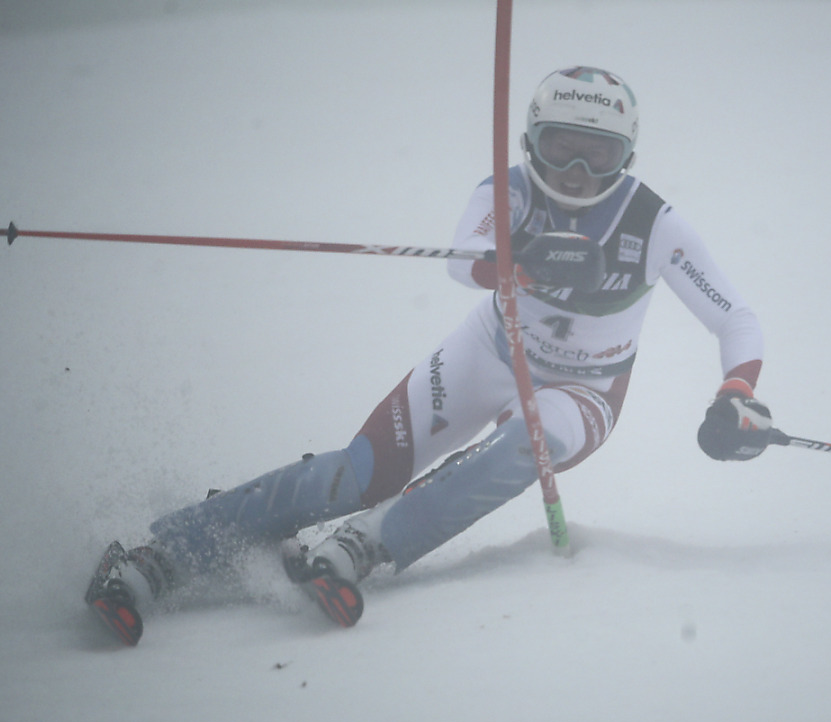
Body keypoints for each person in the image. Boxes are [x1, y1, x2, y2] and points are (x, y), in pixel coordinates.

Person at [85, 65, 773, 638]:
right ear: (532, 142)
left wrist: (736, 394)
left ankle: (371, 542)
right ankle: (163, 551)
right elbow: (463, 256)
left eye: (597, 154)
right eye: (559, 145)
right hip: (491, 350)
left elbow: (734, 317)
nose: (574, 170)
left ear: (627, 155)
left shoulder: (656, 225)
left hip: (585, 391)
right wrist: (513, 258)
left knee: (528, 442)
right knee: (358, 474)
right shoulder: (508, 192)